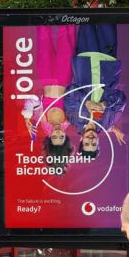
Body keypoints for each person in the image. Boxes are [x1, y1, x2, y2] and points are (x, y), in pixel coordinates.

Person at [63, 24, 127, 158]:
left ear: (81, 140)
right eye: (94, 144)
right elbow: (121, 99)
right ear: (98, 143)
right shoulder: (108, 122)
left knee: (87, 19)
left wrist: (86, 102)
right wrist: (105, 104)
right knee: (107, 20)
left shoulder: (74, 119)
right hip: (108, 62)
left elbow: (70, 92)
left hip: (85, 59)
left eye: (87, 143)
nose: (91, 140)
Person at [22, 25, 76, 171]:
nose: (58, 133)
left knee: (43, 38)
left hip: (46, 76)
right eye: (61, 137)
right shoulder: (69, 119)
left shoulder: (42, 120)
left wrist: (27, 116)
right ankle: (66, 14)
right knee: (65, 37)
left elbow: (31, 101)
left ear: (49, 138)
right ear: (66, 138)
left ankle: (42, 13)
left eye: (54, 137)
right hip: (64, 76)